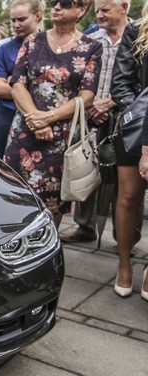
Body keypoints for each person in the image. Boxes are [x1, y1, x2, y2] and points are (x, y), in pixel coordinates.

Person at [3, 0, 102, 228]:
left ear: (82, 10)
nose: (57, 7)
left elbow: (87, 96)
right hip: (26, 129)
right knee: (16, 195)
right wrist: (37, 118)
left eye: (66, 3)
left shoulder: (91, 47)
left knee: (53, 201)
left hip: (62, 137)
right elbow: (18, 84)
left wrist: (49, 118)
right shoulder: (32, 41)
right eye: (54, 2)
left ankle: (46, 253)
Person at [61, 0, 134, 245]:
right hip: (90, 113)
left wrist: (112, 102)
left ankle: (124, 237)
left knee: (123, 179)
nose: (99, 15)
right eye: (97, 10)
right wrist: (90, 105)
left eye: (105, 10)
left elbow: (138, 80)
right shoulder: (92, 37)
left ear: (124, 7)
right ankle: (84, 227)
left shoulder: (138, 36)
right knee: (85, 166)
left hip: (126, 114)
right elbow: (78, 75)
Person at [111, 0, 148, 299]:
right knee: (128, 198)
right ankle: (124, 265)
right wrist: (141, 117)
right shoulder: (136, 29)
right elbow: (120, 84)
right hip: (137, 128)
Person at [0, 0, 45, 158]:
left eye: (21, 19)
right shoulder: (4, 48)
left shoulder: (50, 45)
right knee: (7, 168)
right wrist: (33, 87)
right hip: (7, 115)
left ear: (37, 16)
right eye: (13, 20)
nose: (16, 24)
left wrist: (13, 82)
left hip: (42, 118)